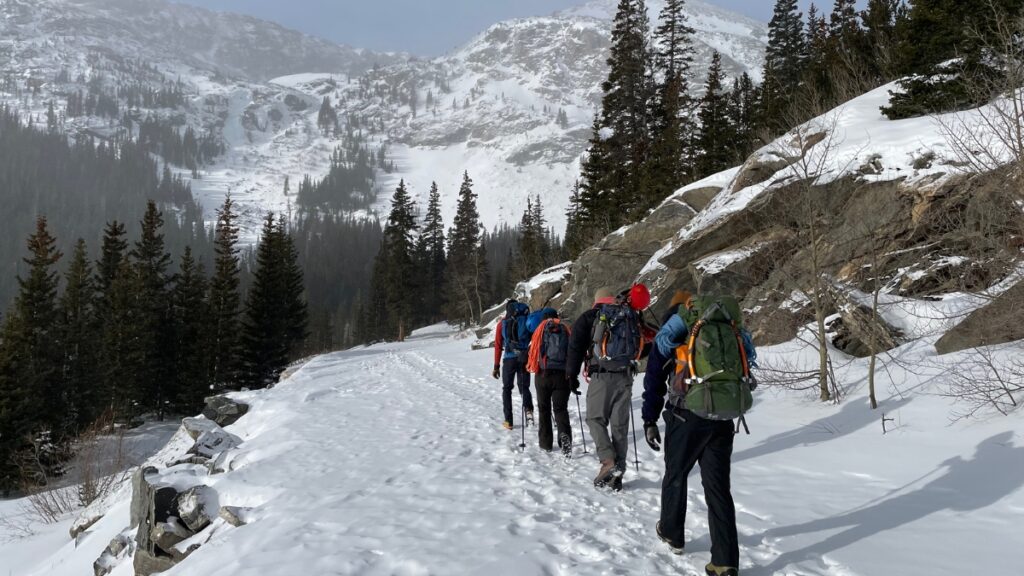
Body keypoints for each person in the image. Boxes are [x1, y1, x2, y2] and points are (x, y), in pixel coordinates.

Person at [642, 294, 757, 576]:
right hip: (723, 416)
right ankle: (725, 560)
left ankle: (672, 533)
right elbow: (750, 356)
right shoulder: (730, 324)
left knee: (676, 475)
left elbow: (655, 375)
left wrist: (649, 418)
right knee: (718, 489)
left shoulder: (678, 326)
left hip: (686, 415)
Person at [566, 284, 650, 491]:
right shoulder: (630, 316)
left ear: (597, 300)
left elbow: (575, 346)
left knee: (595, 419)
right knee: (619, 426)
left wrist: (571, 375)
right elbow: (644, 346)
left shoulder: (590, 317)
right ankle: (618, 471)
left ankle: (607, 461)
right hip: (626, 376)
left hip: (601, 376)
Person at [526, 308, 573, 455]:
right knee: (560, 409)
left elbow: (531, 352)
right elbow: (573, 351)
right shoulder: (565, 329)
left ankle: (546, 443)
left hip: (543, 375)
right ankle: (564, 436)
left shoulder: (539, 331)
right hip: (562, 376)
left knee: (544, 409)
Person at [492, 299, 534, 430]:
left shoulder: (502, 324)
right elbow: (533, 339)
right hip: (523, 357)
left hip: (509, 359)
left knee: (507, 389)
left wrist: (496, 366)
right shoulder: (526, 320)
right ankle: (528, 412)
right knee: (524, 387)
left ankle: (508, 421)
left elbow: (498, 346)